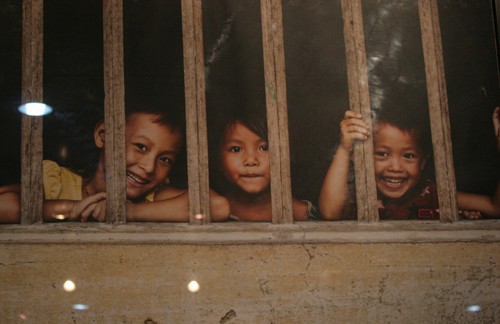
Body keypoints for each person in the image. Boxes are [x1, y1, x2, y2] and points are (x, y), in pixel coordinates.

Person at [0, 105, 230, 223]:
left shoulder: (153, 198)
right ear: (103, 135)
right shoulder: (56, 182)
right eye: (141, 147)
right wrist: (70, 209)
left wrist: (129, 211)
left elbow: (216, 205)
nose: (149, 167)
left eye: (165, 159)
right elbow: (5, 204)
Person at [319, 106, 500, 220]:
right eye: (382, 154)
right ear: (363, 157)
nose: (396, 168)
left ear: (423, 161)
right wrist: (344, 149)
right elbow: (329, 213)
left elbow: (495, 207)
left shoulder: (436, 195)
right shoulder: (359, 194)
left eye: (409, 156)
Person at [214, 113, 320, 221]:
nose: (251, 161)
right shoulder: (210, 209)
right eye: (236, 149)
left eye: (264, 148)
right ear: (219, 159)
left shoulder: (305, 213)